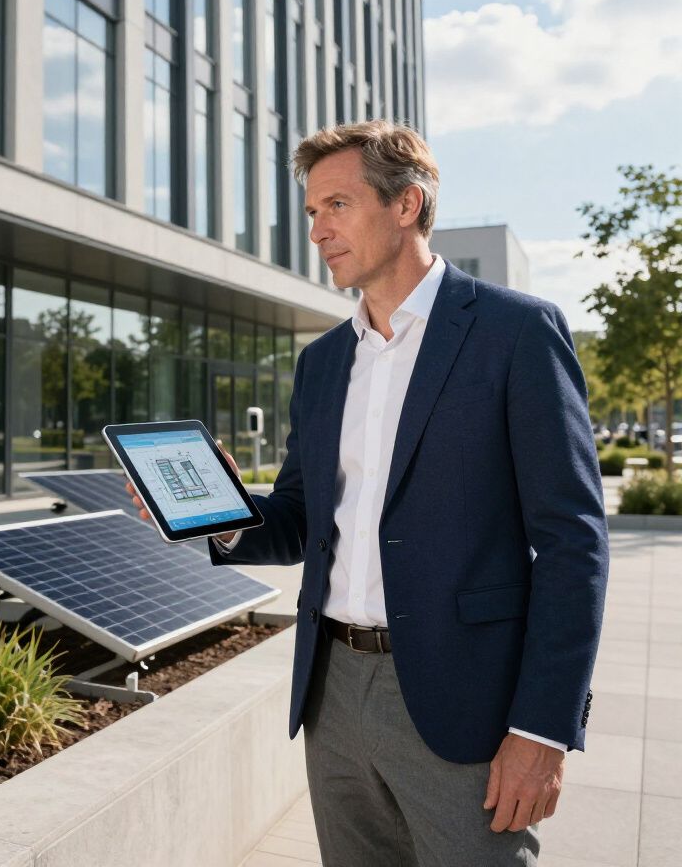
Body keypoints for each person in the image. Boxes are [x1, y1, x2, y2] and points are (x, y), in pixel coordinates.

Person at [128, 121, 608, 867]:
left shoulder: (515, 333)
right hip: (332, 689)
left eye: (337, 206)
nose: (317, 229)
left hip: (465, 696)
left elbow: (574, 541)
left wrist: (543, 729)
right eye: (312, 211)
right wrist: (219, 513)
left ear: (408, 204)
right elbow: (301, 519)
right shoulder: (322, 362)